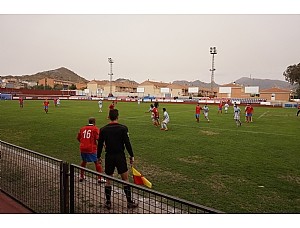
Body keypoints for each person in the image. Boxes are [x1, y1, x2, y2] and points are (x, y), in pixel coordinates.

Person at [97, 109, 138, 210]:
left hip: (109, 156)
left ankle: (108, 203)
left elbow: (99, 145)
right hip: (120, 156)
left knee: (108, 180)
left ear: (108, 117)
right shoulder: (123, 128)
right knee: (125, 179)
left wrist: (98, 157)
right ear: (117, 117)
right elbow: (127, 143)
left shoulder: (103, 130)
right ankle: (129, 202)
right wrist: (131, 155)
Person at [77, 117, 106, 183]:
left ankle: (81, 176)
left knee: (84, 161)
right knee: (97, 162)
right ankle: (99, 178)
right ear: (94, 122)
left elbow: (78, 138)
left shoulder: (82, 128)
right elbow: (98, 139)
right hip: (91, 148)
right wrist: (104, 145)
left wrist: (83, 142)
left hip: (83, 147)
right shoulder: (95, 129)